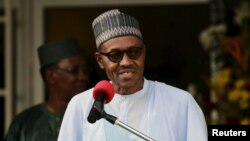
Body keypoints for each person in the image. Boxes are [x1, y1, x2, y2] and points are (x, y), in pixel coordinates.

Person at [58, 9, 208, 141]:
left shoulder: (180, 103)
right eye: (115, 55)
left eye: (134, 52)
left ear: (144, 53)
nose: (126, 62)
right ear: (100, 60)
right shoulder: (81, 105)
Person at [5, 38, 93, 141]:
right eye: (73, 70)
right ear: (50, 76)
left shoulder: (93, 117)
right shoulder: (24, 123)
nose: (82, 77)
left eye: (85, 71)